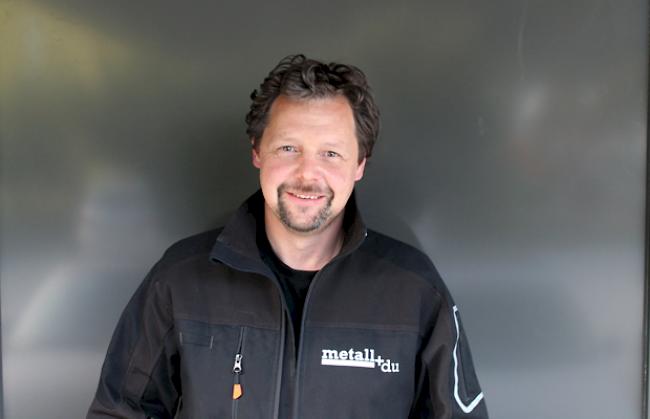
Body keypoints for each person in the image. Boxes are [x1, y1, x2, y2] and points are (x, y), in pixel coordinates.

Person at [87, 54, 489, 419]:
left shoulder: (414, 291)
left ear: (359, 165)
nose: (307, 173)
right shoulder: (181, 278)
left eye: (330, 153)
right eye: (288, 148)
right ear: (257, 151)